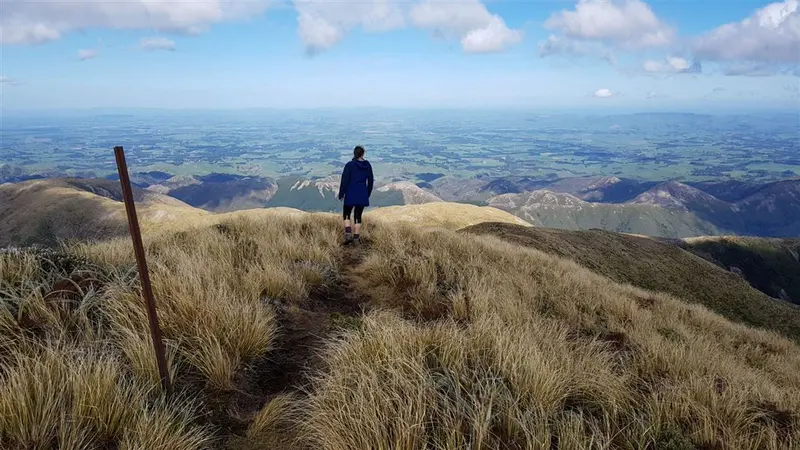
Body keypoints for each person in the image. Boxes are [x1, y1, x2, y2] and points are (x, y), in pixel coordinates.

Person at [337, 145, 374, 245]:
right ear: (363, 154)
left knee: (347, 214)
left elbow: (344, 181)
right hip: (362, 193)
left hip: (350, 193)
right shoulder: (367, 165)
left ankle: (348, 235)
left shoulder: (349, 165)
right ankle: (356, 239)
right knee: (358, 216)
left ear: (354, 154)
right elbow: (370, 181)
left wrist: (341, 194)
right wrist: (367, 194)